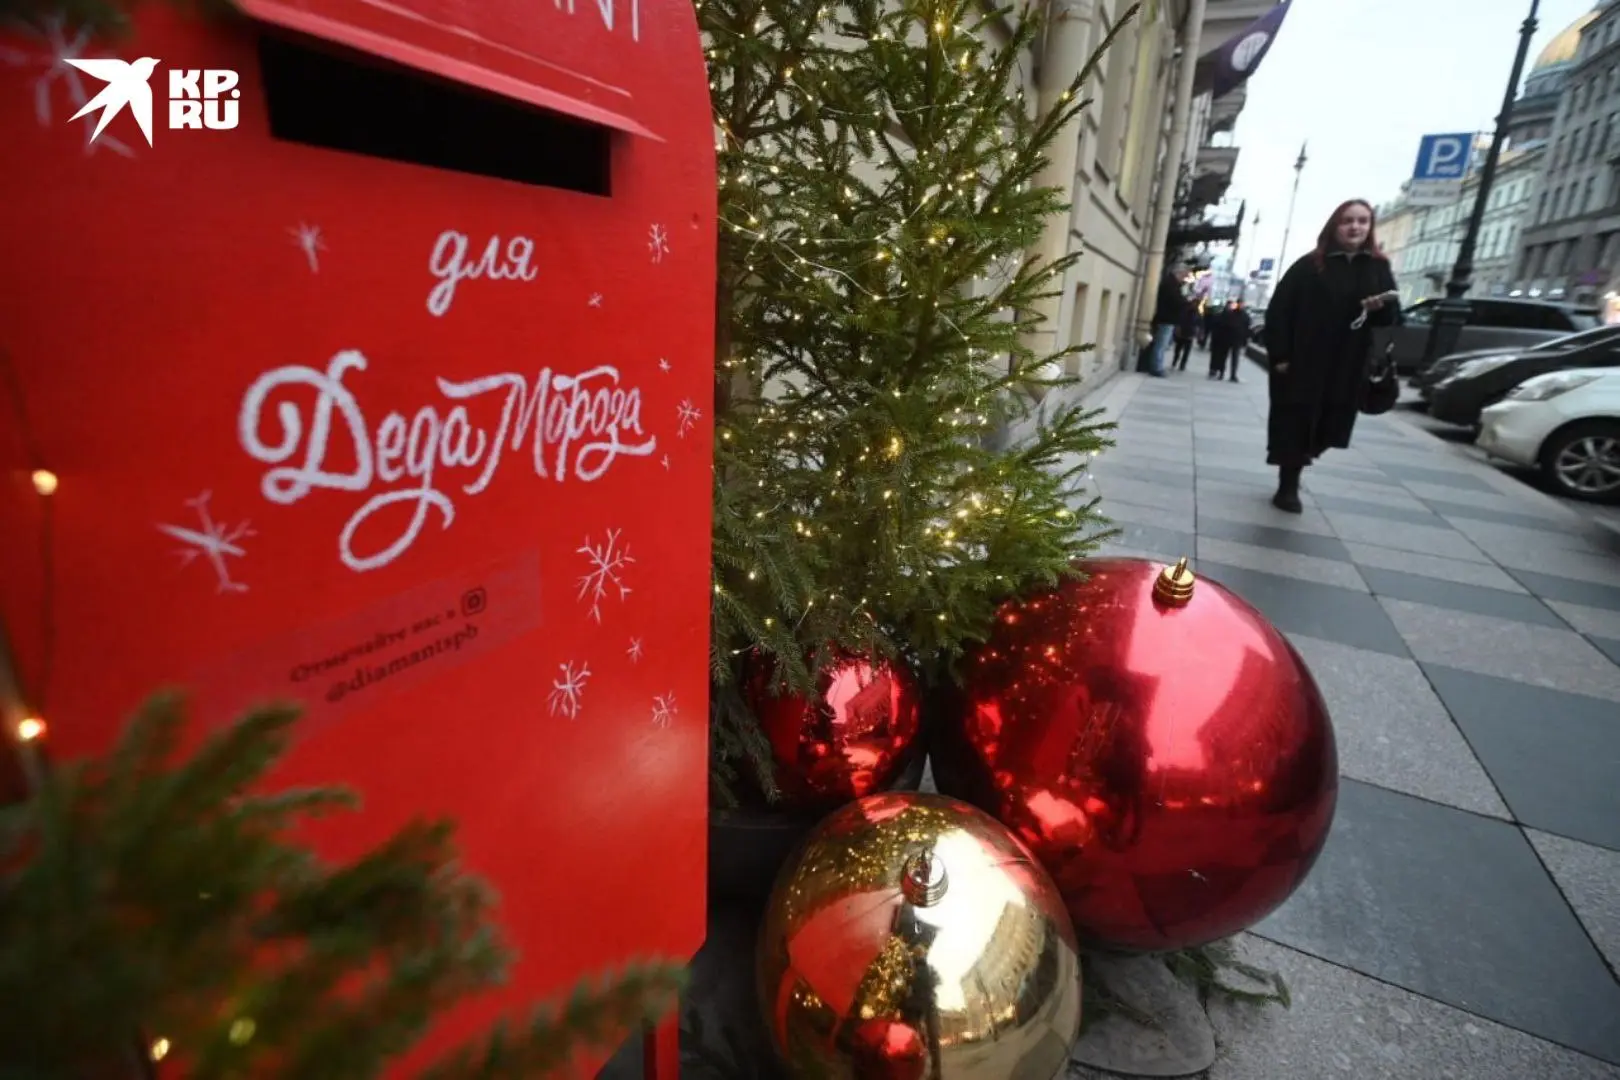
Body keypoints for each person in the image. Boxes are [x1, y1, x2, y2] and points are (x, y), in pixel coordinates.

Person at [1262, 199, 1401, 513]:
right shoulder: (1310, 265)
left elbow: (1391, 319)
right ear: (1334, 225)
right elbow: (1279, 311)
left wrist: (1381, 308)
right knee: (1296, 422)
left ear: (1370, 227)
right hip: (1304, 361)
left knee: (1332, 422)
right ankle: (1288, 485)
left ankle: (1305, 457)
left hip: (1348, 363)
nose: (1355, 227)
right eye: (1347, 220)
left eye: (1362, 221)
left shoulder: (1378, 267)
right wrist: (1281, 355)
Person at [1147, 267, 1186, 377]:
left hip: (1166, 318)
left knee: (1162, 344)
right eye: (1183, 276)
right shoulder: (1171, 285)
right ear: (1178, 274)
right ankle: (1156, 367)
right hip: (1166, 319)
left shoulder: (1170, 284)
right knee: (1161, 344)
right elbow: (1175, 301)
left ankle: (1157, 366)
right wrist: (1184, 301)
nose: (1184, 278)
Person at [1218, 300, 1252, 382]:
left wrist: (1245, 339)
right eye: (1240, 304)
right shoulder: (1231, 314)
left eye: (1242, 304)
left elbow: (1247, 329)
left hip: (1237, 340)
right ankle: (1222, 372)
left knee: (1234, 358)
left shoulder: (1245, 316)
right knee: (1224, 357)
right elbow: (1223, 326)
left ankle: (1232, 375)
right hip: (1228, 338)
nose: (1241, 306)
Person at [1172, 301, 1200, 371]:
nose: (1194, 305)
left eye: (1195, 304)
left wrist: (1196, 333)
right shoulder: (1184, 311)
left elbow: (1198, 324)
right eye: (1193, 303)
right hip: (1181, 333)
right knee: (1178, 349)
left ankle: (1182, 364)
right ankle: (1175, 360)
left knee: (1186, 352)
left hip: (1189, 335)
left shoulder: (1197, 313)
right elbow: (1179, 320)